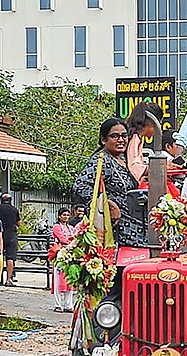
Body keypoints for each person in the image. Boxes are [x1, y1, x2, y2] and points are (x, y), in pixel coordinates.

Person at [73, 118, 146, 248]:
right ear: (103, 140)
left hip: (135, 227)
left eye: (124, 136)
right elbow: (80, 186)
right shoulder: (102, 160)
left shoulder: (123, 158)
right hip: (115, 233)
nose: (121, 140)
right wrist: (107, 204)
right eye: (115, 136)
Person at [124, 101, 165, 181]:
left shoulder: (138, 138)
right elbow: (134, 168)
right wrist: (156, 169)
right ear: (151, 122)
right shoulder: (134, 139)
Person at [50, 207, 77, 312]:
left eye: (67, 215)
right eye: (64, 215)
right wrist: (72, 243)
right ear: (59, 216)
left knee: (70, 279)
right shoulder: (57, 227)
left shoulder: (71, 227)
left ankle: (68, 305)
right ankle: (58, 304)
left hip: (70, 255)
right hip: (59, 254)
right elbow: (62, 239)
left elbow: (75, 237)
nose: (66, 217)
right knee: (58, 280)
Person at [0, 192, 21, 286]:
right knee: (10, 258)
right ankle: (8, 279)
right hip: (11, 235)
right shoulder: (14, 209)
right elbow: (19, 223)